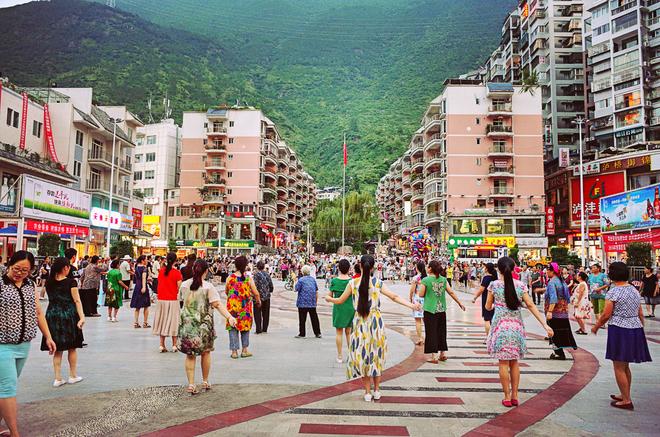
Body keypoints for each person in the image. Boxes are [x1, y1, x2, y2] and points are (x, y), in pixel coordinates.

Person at [325, 255, 421, 402]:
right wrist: (412, 305)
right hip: (376, 322)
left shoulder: (353, 283)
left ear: (360, 266)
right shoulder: (378, 283)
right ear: (373, 267)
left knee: (363, 356)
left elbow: (339, 300)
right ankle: (377, 390)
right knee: (376, 354)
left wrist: (328, 298)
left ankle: (367, 392)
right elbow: (394, 296)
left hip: (360, 322)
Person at [0, 251, 56, 437]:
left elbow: (38, 312)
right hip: (2, 345)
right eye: (17, 269)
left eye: (25, 270)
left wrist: (48, 336)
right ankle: (15, 433)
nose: (20, 273)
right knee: (7, 388)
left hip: (23, 345)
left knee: (6, 387)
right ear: (10, 264)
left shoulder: (29, 284)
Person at [486, 257, 554, 407]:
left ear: (498, 269)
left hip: (500, 328)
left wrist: (495, 305)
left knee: (503, 362)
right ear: (514, 268)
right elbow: (530, 304)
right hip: (516, 327)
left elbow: (488, 307)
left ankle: (507, 396)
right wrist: (545, 325)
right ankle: (515, 395)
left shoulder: (494, 285)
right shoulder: (520, 286)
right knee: (514, 362)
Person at [591, 261, 652, 410]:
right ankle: (625, 394)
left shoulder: (613, 292)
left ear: (613, 275)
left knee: (618, 365)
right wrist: (641, 326)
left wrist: (596, 326)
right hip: (634, 328)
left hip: (619, 329)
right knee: (625, 366)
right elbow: (640, 312)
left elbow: (606, 314)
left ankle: (626, 400)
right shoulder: (633, 290)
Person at [178, 259, 237, 395]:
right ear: (206, 271)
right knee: (206, 352)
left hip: (187, 325)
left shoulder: (184, 285)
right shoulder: (208, 287)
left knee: (190, 355)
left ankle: (191, 384)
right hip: (204, 326)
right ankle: (205, 381)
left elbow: (181, 302)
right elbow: (217, 305)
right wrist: (229, 317)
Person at [41, 257, 85, 387]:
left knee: (57, 349)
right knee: (72, 347)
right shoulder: (71, 282)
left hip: (52, 315)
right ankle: (72, 375)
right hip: (68, 315)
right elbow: (77, 301)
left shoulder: (49, 282)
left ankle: (58, 378)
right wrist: (82, 317)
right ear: (65, 268)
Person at [418, 260, 466, 363]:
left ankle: (433, 356)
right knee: (441, 331)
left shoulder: (425, 280)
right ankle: (442, 353)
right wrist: (459, 303)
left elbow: (421, 294)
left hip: (430, 309)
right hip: (441, 309)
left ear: (430, 268)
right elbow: (451, 292)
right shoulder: (443, 280)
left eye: (428, 266)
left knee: (431, 332)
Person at [225, 256, 261, 359]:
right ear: (245, 266)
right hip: (245, 308)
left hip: (232, 308)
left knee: (232, 328)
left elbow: (227, 291)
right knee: (245, 328)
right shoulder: (248, 279)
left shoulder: (230, 278)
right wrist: (258, 302)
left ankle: (234, 352)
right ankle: (245, 350)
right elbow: (256, 293)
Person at [545, 262, 578, 360]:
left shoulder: (552, 282)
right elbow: (567, 297)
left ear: (552, 271)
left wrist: (550, 312)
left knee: (554, 333)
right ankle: (560, 352)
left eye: (548, 270)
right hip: (563, 312)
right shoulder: (562, 281)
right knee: (562, 332)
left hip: (554, 313)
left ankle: (558, 353)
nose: (546, 272)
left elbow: (553, 298)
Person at [153, 252, 182, 353]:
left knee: (162, 320)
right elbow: (179, 287)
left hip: (161, 300)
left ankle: (161, 345)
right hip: (173, 300)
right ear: (175, 261)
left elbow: (159, 284)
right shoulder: (177, 273)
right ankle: (174, 345)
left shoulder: (161, 271)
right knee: (174, 321)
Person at [329, 259, 354, 363]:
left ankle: (339, 356)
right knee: (349, 332)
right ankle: (351, 354)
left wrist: (327, 298)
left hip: (338, 307)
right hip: (350, 307)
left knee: (339, 332)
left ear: (338, 268)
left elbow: (330, 295)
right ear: (349, 268)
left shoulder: (334, 281)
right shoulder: (352, 281)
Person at [295, 265, 322, 339]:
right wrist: (315, 301)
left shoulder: (301, 280)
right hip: (312, 301)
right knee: (314, 318)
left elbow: (296, 289)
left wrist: (295, 281)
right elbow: (316, 290)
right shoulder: (313, 279)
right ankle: (317, 332)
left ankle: (302, 333)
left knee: (302, 318)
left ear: (302, 272)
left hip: (302, 302)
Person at [472, 262, 497, 337]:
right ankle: (494, 337)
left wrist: (475, 298)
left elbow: (481, 290)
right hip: (494, 300)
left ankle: (488, 337)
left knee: (487, 319)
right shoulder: (495, 278)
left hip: (486, 299)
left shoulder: (486, 278)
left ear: (487, 269)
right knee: (493, 319)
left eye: (484, 267)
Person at [408, 261, 426, 346]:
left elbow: (412, 290)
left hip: (417, 300)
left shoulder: (416, 278)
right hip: (426, 300)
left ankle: (420, 338)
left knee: (418, 320)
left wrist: (410, 298)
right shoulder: (427, 277)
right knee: (426, 320)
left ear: (417, 268)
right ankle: (428, 337)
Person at [253, 261, 274, 334]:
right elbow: (271, 285)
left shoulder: (256, 275)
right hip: (267, 296)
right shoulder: (267, 274)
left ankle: (258, 329)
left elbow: (254, 286)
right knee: (266, 313)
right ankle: (265, 328)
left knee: (257, 313)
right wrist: (269, 291)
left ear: (257, 267)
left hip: (258, 296)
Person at [130, 255, 151, 328]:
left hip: (137, 287)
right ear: (142, 260)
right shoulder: (144, 268)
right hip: (142, 286)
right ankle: (145, 323)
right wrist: (144, 287)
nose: (147, 261)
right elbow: (143, 278)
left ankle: (136, 322)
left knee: (137, 306)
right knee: (146, 305)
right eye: (146, 259)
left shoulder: (136, 267)